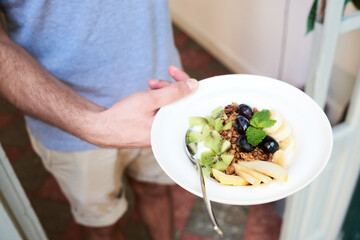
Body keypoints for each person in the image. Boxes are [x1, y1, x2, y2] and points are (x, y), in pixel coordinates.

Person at [0, 1, 198, 239]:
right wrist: (90, 124)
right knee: (101, 225)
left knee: (156, 190)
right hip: (67, 124)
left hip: (162, 99)